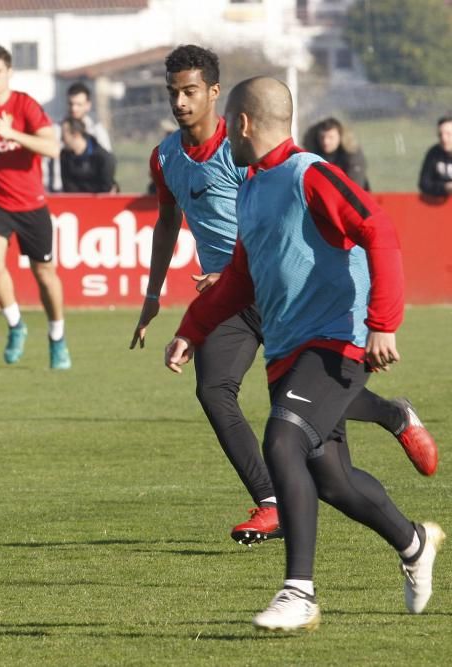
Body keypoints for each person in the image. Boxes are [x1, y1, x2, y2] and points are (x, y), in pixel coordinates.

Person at [164, 75, 444, 632]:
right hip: (289, 351)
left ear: (242, 123)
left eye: (230, 126)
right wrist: (192, 329)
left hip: (336, 340)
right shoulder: (251, 185)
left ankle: (299, 593)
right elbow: (241, 274)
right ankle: (414, 543)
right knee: (334, 481)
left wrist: (382, 323)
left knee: (283, 435)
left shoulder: (308, 172)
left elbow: (378, 228)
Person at [0, 44, 71, 369]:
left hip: (31, 204)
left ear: (9, 72)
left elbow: (52, 148)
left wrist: (12, 132)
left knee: (44, 274)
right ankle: (16, 325)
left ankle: (57, 337)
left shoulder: (25, 105)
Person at [46, 81, 113, 192]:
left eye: (79, 104)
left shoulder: (96, 131)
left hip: (92, 192)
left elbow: (106, 161)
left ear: (88, 105)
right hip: (59, 191)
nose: (74, 109)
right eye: (71, 104)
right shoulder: (55, 130)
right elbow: (46, 161)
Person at [302, 116, 370, 190]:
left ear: (341, 137)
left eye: (331, 137)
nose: (326, 142)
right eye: (322, 137)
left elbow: (355, 186)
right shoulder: (311, 157)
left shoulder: (352, 155)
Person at [59, 117, 118, 193]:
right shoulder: (65, 156)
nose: (61, 139)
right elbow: (68, 188)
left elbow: (106, 188)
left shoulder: (103, 158)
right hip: (76, 203)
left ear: (76, 134)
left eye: (64, 135)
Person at [417, 115, 452, 198]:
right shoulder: (434, 153)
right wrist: (445, 187)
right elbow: (424, 184)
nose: (444, 138)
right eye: (440, 134)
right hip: (438, 206)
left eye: (449, 134)